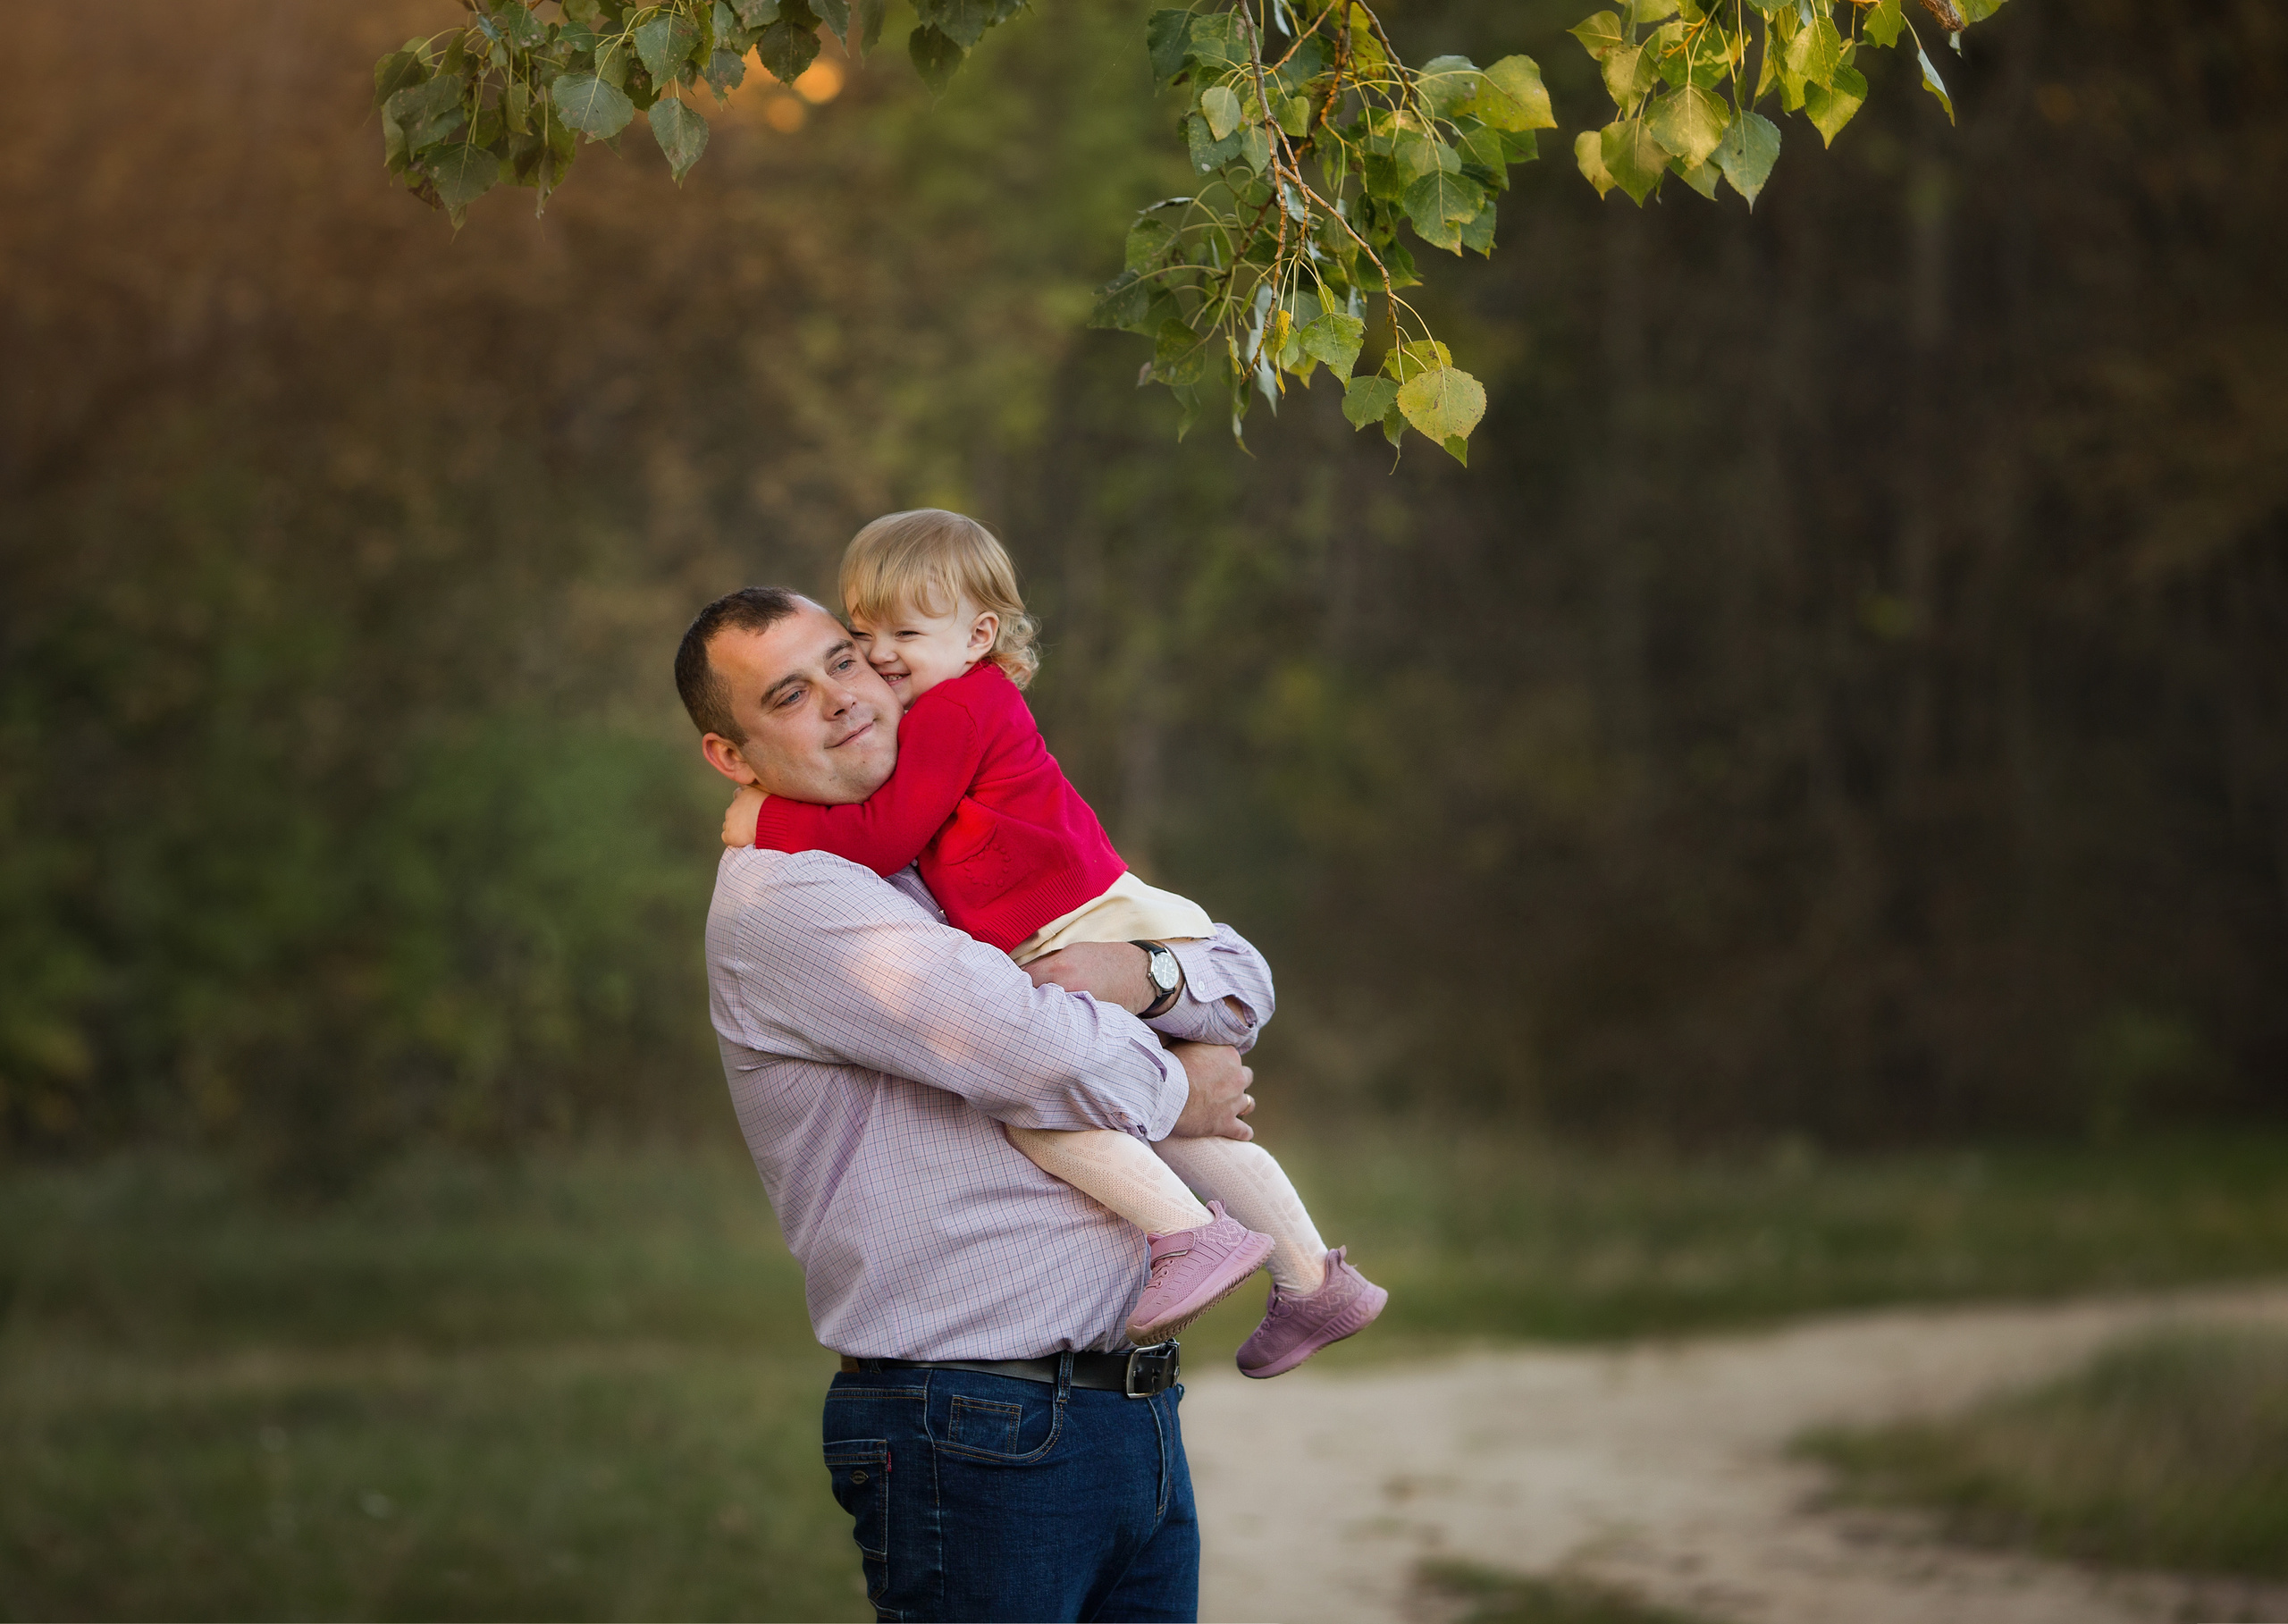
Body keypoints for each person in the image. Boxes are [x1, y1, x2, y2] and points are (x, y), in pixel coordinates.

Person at [683, 585, 1266, 1621]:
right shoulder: (794, 898)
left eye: (845, 659)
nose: (841, 697)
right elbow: (1035, 1052)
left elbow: (1240, 976)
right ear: (732, 755)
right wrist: (1184, 1085)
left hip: (1125, 1407)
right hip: (972, 1420)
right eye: (788, 693)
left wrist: (1146, 980)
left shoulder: (951, 830)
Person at [719, 509, 1386, 1375]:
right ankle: (1311, 1278)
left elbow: (881, 836)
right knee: (1167, 1120)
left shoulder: (956, 707)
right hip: (1090, 920)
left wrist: (766, 816)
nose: (877, 658)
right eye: (863, 632)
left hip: (1084, 925)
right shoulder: (819, 872)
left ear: (978, 635)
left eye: (897, 637)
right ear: (727, 749)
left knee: (1046, 1123)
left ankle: (1189, 1234)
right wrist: (1172, 1081)